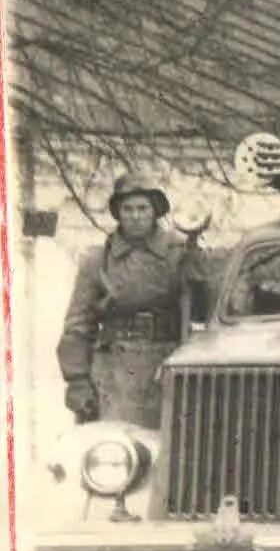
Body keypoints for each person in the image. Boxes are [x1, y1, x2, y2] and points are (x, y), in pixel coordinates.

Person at [57, 171, 210, 427]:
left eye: (142, 208)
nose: (136, 216)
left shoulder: (180, 252)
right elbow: (78, 324)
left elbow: (203, 311)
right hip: (115, 369)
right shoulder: (98, 260)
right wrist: (77, 380)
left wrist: (197, 267)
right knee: (116, 449)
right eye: (128, 209)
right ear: (118, 213)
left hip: (169, 362)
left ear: (155, 211)